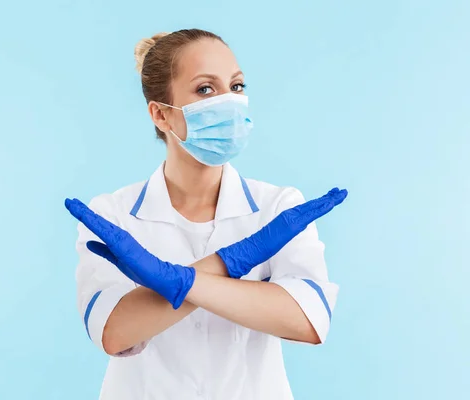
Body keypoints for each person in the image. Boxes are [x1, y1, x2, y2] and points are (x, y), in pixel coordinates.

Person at [65, 28, 348, 400]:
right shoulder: (112, 215)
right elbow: (114, 332)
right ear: (162, 115)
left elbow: (307, 320)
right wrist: (231, 263)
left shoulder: (277, 208)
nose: (229, 101)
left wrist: (177, 281)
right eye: (205, 89)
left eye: (237, 86)